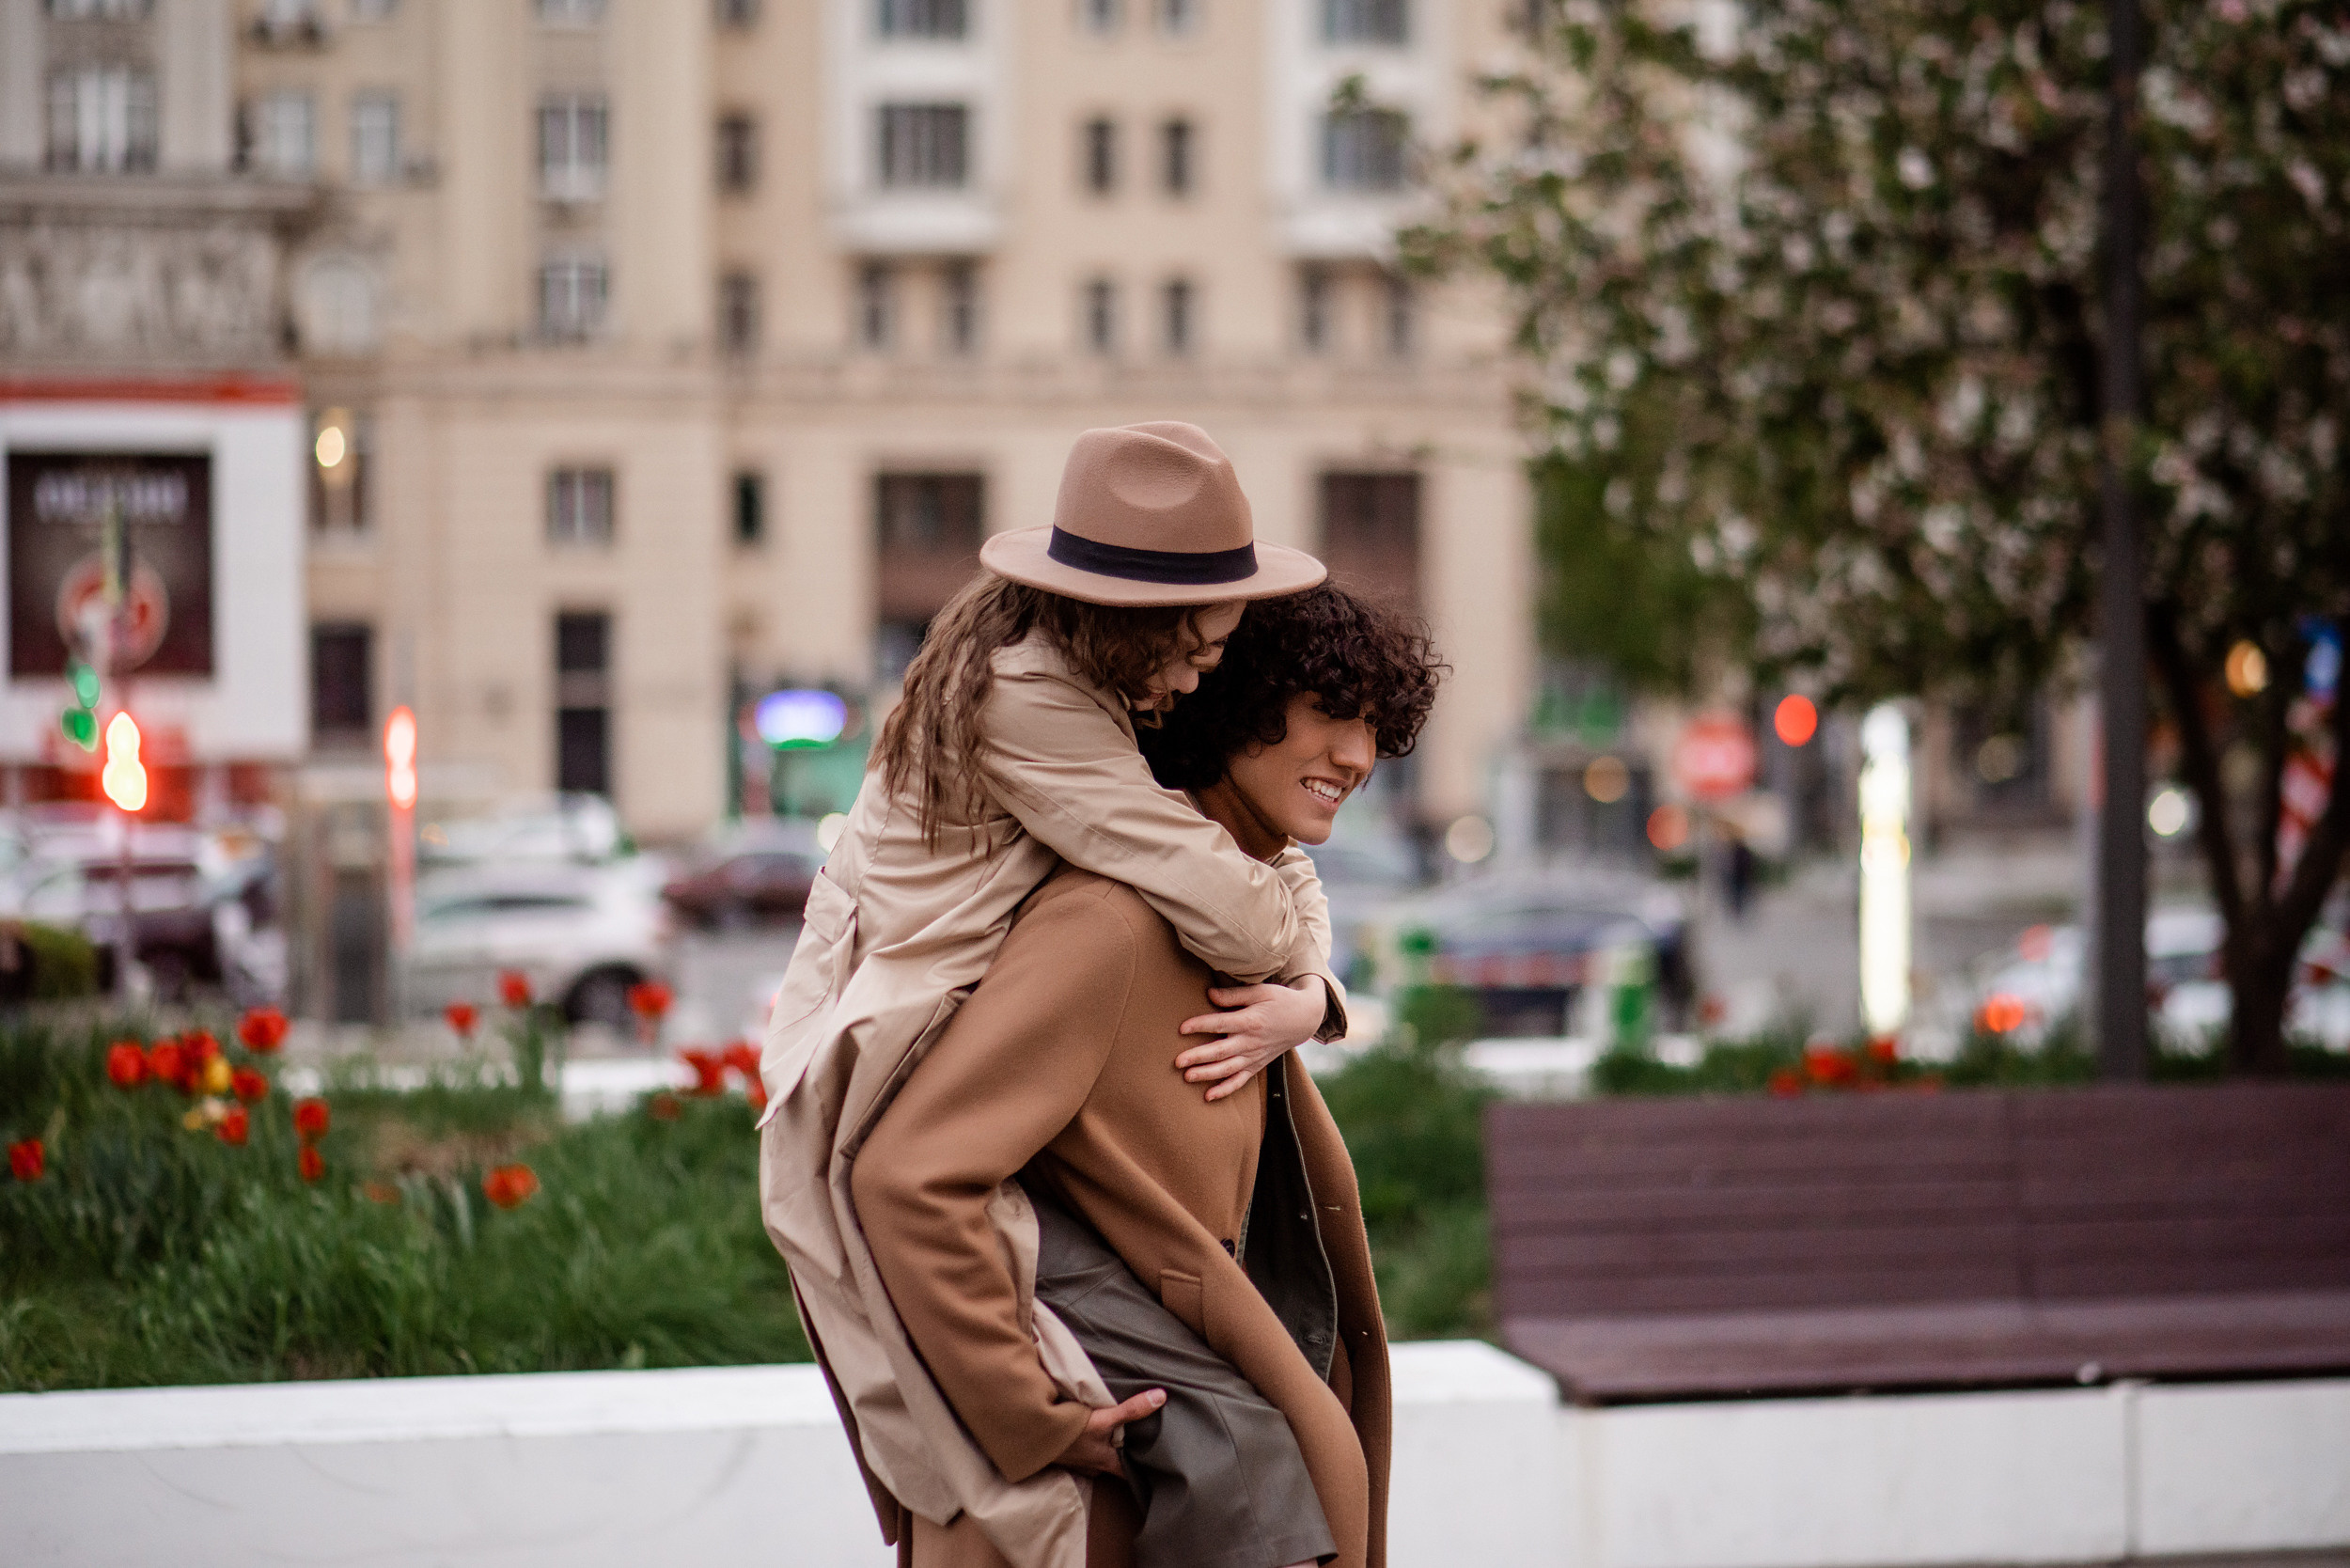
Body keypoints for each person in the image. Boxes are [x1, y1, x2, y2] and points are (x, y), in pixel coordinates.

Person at [758, 423, 1353, 1568]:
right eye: (1192, 648)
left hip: (986, 1063)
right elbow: (1236, 907)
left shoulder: (1096, 680)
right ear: (1130, 622)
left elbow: (1274, 872)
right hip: (884, 1066)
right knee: (1023, 1476)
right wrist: (1036, 1420)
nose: (1200, 675)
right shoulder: (1030, 698)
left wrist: (1310, 996)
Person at [855, 585, 1444, 1568]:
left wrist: (1313, 994)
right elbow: (909, 1177)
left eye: (1377, 729)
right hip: (1090, 1512)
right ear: (1237, 700)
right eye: (1333, 714)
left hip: (1185, 1496)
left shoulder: (1229, 924)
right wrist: (1029, 1417)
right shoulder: (1113, 926)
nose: (1358, 756)